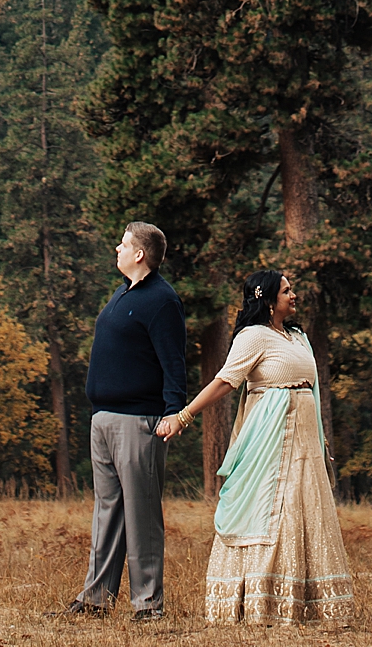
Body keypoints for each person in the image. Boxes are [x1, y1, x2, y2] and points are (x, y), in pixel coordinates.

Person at [157, 269, 353, 626]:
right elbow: (224, 382)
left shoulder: (297, 337)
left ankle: (307, 603)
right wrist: (183, 416)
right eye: (287, 291)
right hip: (271, 442)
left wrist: (319, 432)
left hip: (304, 441)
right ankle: (262, 601)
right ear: (268, 299)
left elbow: (309, 388)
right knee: (271, 511)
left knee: (305, 509)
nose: (293, 296)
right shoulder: (253, 337)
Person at [66, 221, 188, 622]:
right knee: (108, 512)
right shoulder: (124, 294)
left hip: (140, 422)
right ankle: (96, 598)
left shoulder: (162, 300)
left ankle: (148, 605)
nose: (115, 249)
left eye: (121, 244)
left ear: (139, 254)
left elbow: (174, 362)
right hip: (103, 419)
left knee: (142, 515)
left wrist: (174, 412)